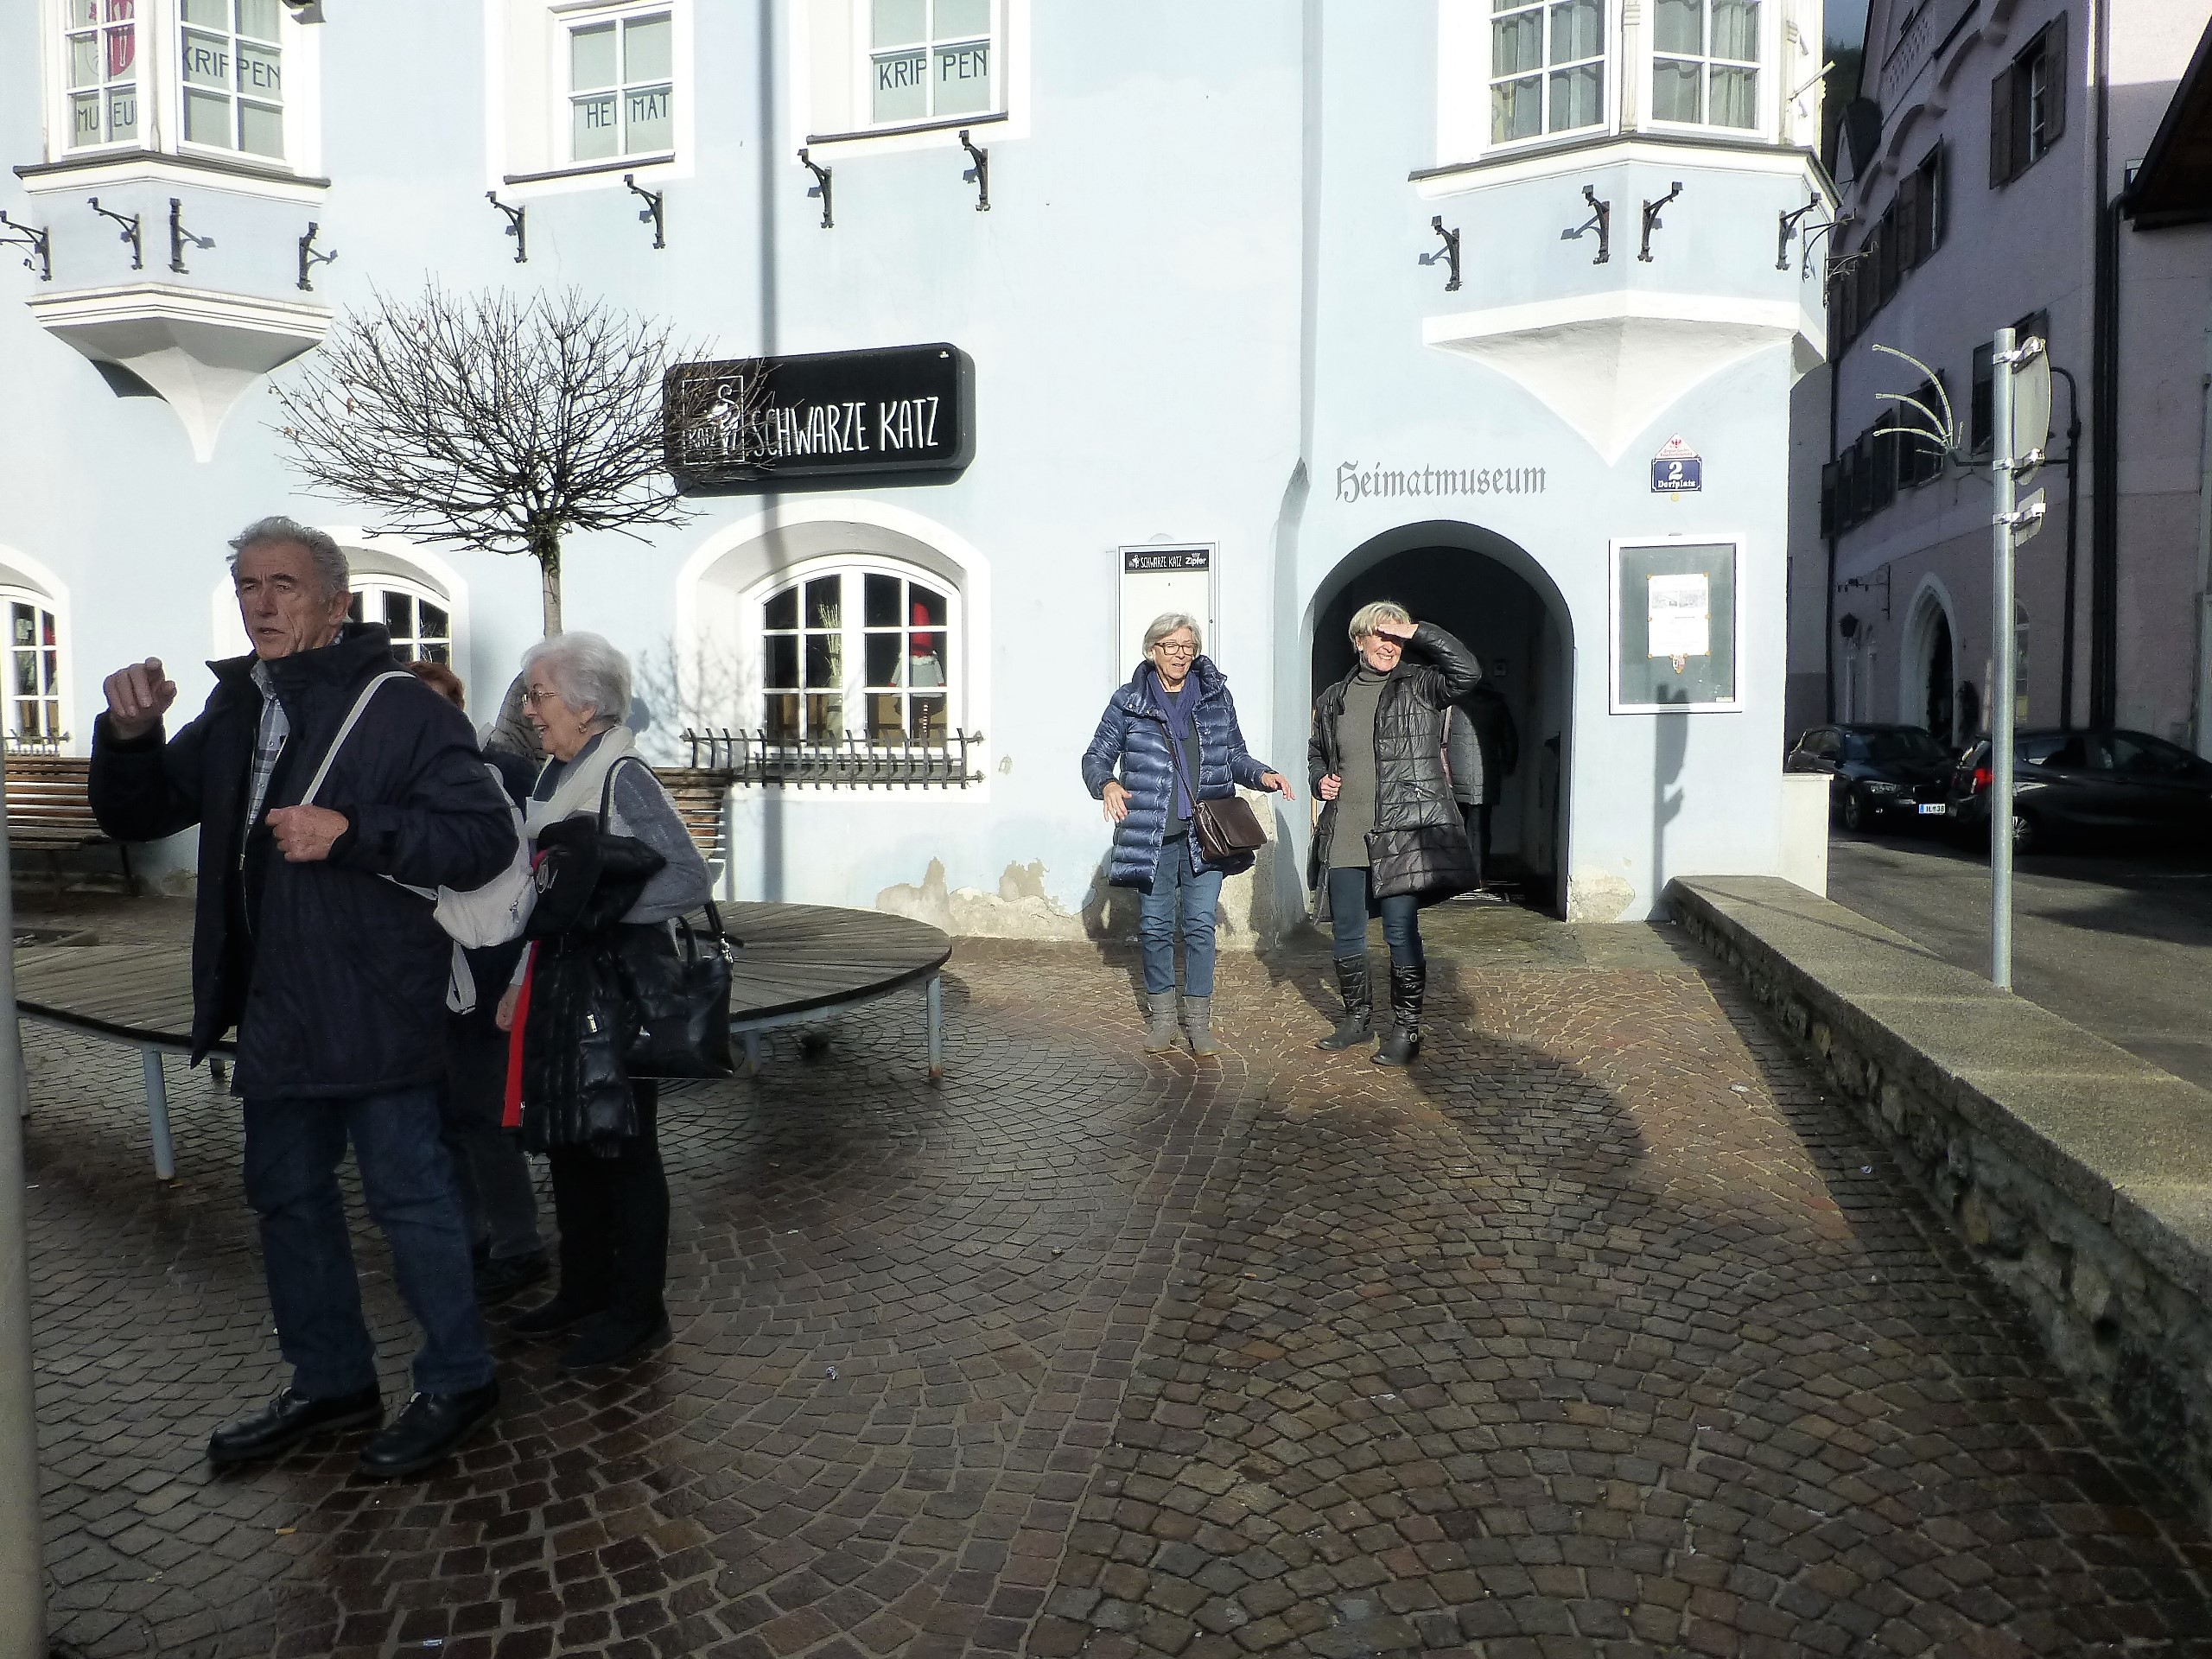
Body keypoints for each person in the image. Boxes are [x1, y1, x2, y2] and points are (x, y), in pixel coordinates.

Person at [89, 517, 518, 1478]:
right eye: (248, 585)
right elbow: (139, 810)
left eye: (283, 585)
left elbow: (482, 838)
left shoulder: (402, 708)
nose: (262, 603)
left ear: (334, 602)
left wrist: (352, 830)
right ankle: (331, 1380)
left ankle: (460, 1378)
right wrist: (129, 735)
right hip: (276, 1006)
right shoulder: (239, 703)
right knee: (286, 1196)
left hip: (375, 1000)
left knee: (410, 1198)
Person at [494, 632, 711, 1371]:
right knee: (569, 1142)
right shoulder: (558, 774)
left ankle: (638, 1311)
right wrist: (519, 981)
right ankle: (583, 1290)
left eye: (539, 695)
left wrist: (598, 913)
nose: (528, 709)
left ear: (587, 707)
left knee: (623, 1149)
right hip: (561, 983)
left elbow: (687, 879)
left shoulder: (623, 776)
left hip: (613, 991)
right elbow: (544, 893)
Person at [1082, 613, 1294, 1057]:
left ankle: (1198, 1022)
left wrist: (1262, 775)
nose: (1181, 654)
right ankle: (1163, 1020)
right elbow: (1095, 757)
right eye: (1172, 646)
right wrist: (1108, 784)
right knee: (1155, 928)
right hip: (1152, 836)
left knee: (1199, 927)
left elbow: (1234, 755)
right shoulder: (1129, 701)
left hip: (1206, 835)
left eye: (1188, 646)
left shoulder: (1215, 696)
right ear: (1152, 651)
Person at [404, 659, 548, 1306]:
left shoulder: (504, 774)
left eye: (443, 708)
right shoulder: (398, 780)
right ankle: (469, 1238)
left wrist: (520, 973)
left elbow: (535, 879)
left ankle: (517, 1244)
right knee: (441, 1113)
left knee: (486, 1113)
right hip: (426, 970)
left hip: (489, 968)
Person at [1308, 601, 1482, 1065]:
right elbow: (1317, 751)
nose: (1390, 646)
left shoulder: (1420, 685)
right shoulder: (1334, 698)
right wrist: (1319, 779)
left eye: (1397, 639)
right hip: (1346, 830)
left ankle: (1406, 1029)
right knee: (1347, 932)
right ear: (1359, 640)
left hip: (1403, 832)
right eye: (1381, 636)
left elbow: (1467, 673)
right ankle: (1356, 1019)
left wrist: (1418, 630)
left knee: (1400, 932)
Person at [1444, 677, 1520, 893]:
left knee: (1456, 826)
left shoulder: (1451, 702)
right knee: (1480, 828)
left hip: (1454, 773)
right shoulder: (1496, 703)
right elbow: (1509, 738)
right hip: (1484, 775)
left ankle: (1457, 874)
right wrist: (1508, 764)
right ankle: (1478, 876)